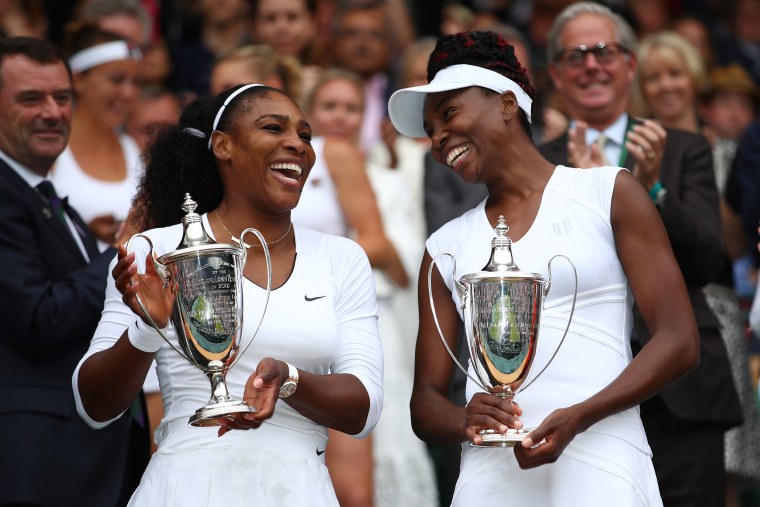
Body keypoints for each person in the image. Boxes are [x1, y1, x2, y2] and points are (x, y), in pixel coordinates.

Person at [388, 29, 700, 506]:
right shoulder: (444, 247)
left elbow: (679, 340)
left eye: (448, 114)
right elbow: (425, 403)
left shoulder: (608, 192)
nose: (437, 139)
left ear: (507, 103)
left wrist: (580, 416)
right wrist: (465, 418)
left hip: (603, 460)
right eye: (430, 131)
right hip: (492, 478)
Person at [73, 84, 384, 506]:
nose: (298, 144)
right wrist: (147, 329)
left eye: (305, 135)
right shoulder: (156, 251)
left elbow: (365, 408)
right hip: (183, 489)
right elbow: (93, 406)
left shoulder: (342, 257)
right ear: (223, 146)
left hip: (300, 490)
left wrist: (289, 379)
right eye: (273, 128)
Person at [539, 4, 742, 506]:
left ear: (630, 65)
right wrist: (581, 192)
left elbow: (706, 260)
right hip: (579, 393)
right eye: (576, 55)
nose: (591, 65)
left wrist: (651, 189)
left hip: (681, 393)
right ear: (556, 74)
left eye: (604, 51)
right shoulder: (540, 164)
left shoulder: (682, 148)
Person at [0, 36, 147, 506]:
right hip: (35, 465)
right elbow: (38, 318)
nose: (52, 112)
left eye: (62, 98)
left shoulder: (43, 197)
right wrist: (124, 246)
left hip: (82, 461)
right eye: (30, 99)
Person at [306, 68, 437, 507]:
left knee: (383, 432)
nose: (340, 116)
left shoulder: (388, 180)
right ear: (308, 112)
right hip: (309, 322)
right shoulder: (290, 176)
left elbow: (404, 264)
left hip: (376, 318)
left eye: (352, 108)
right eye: (329, 105)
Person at [50, 24, 142, 251]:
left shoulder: (135, 148)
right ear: (77, 79)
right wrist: (85, 233)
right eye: (117, 80)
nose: (129, 93)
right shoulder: (50, 150)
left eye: (136, 82)